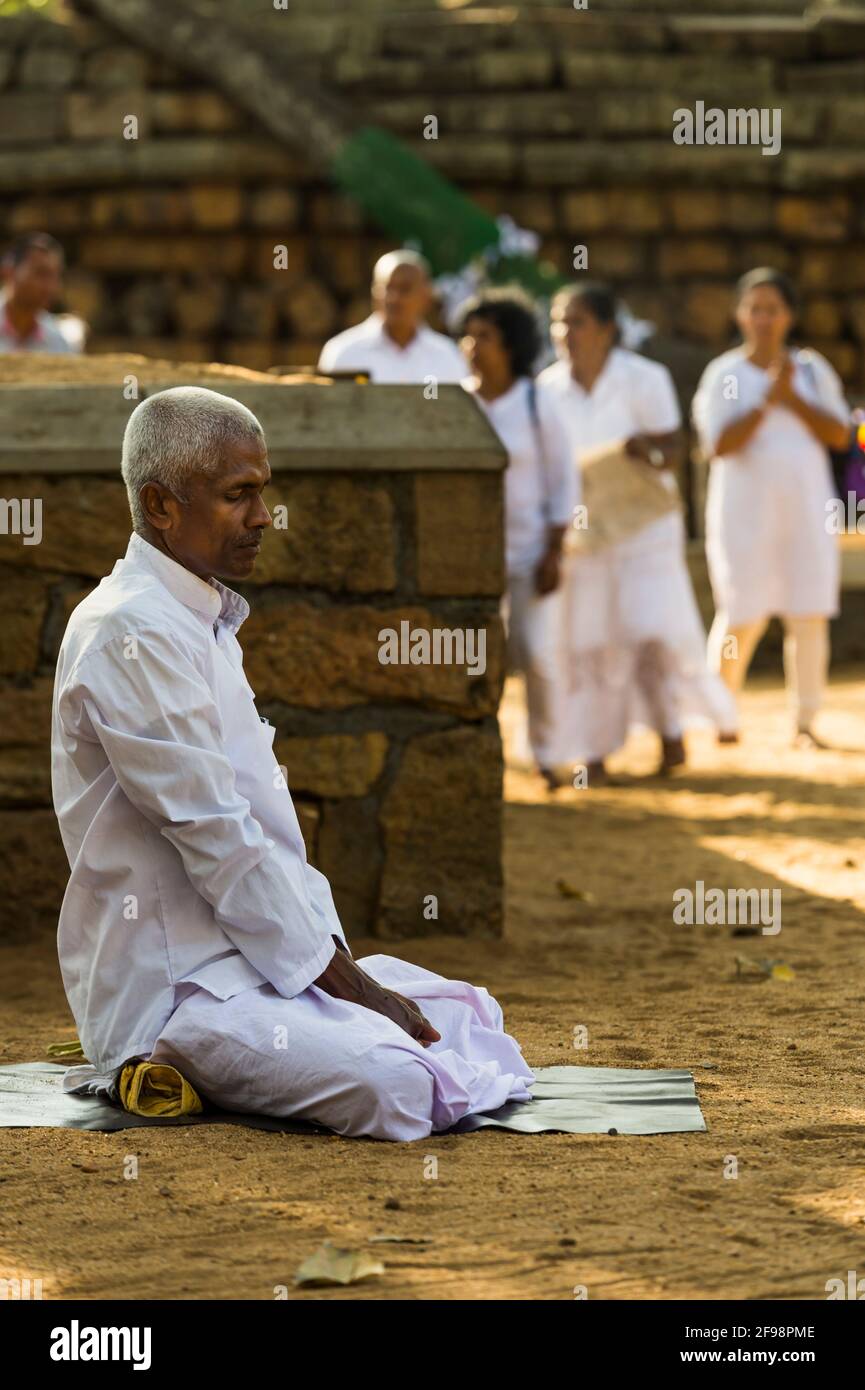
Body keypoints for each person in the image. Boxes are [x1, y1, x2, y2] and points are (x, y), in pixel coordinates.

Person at [51, 386, 533, 1142]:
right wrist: (351, 988)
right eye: (239, 495)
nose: (262, 517)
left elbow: (259, 832)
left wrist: (335, 973)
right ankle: (164, 1058)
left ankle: (307, 1017)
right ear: (163, 504)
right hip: (178, 987)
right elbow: (216, 834)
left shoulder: (198, 617)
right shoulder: (128, 631)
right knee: (400, 1085)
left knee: (469, 1013)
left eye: (262, 492)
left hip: (255, 962)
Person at [538, 282, 735, 783]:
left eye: (577, 321)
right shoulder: (546, 389)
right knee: (588, 636)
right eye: (560, 322)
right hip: (583, 531)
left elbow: (670, 448)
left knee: (652, 630)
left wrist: (637, 449)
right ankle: (593, 753)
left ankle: (672, 735)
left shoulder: (645, 378)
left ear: (607, 330)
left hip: (645, 526)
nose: (566, 332)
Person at [692, 267, 851, 749]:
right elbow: (718, 442)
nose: (763, 319)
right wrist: (766, 403)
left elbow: (841, 434)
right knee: (741, 612)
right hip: (745, 511)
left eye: (773, 310)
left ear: (788, 316)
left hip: (804, 508)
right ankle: (719, 713)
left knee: (808, 613)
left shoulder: (811, 369)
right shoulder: (725, 374)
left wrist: (793, 399)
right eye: (755, 309)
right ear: (741, 315)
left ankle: (805, 722)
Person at [457, 288, 576, 786]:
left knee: (539, 655)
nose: (472, 345)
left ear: (511, 346)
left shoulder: (536, 403)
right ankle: (473, 755)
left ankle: (548, 755)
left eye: (485, 336)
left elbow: (563, 479)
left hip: (529, 553)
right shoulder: (455, 403)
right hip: (467, 558)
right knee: (468, 657)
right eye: (468, 335)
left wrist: (554, 551)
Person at [318, 249, 467, 383]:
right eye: (387, 287)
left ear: (425, 296)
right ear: (374, 293)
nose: (394, 298)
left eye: (405, 289)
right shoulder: (343, 353)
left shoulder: (447, 357)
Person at [0, 232, 82, 354]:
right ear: (9, 272)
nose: (51, 287)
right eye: (41, 273)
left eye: (56, 276)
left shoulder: (58, 341)